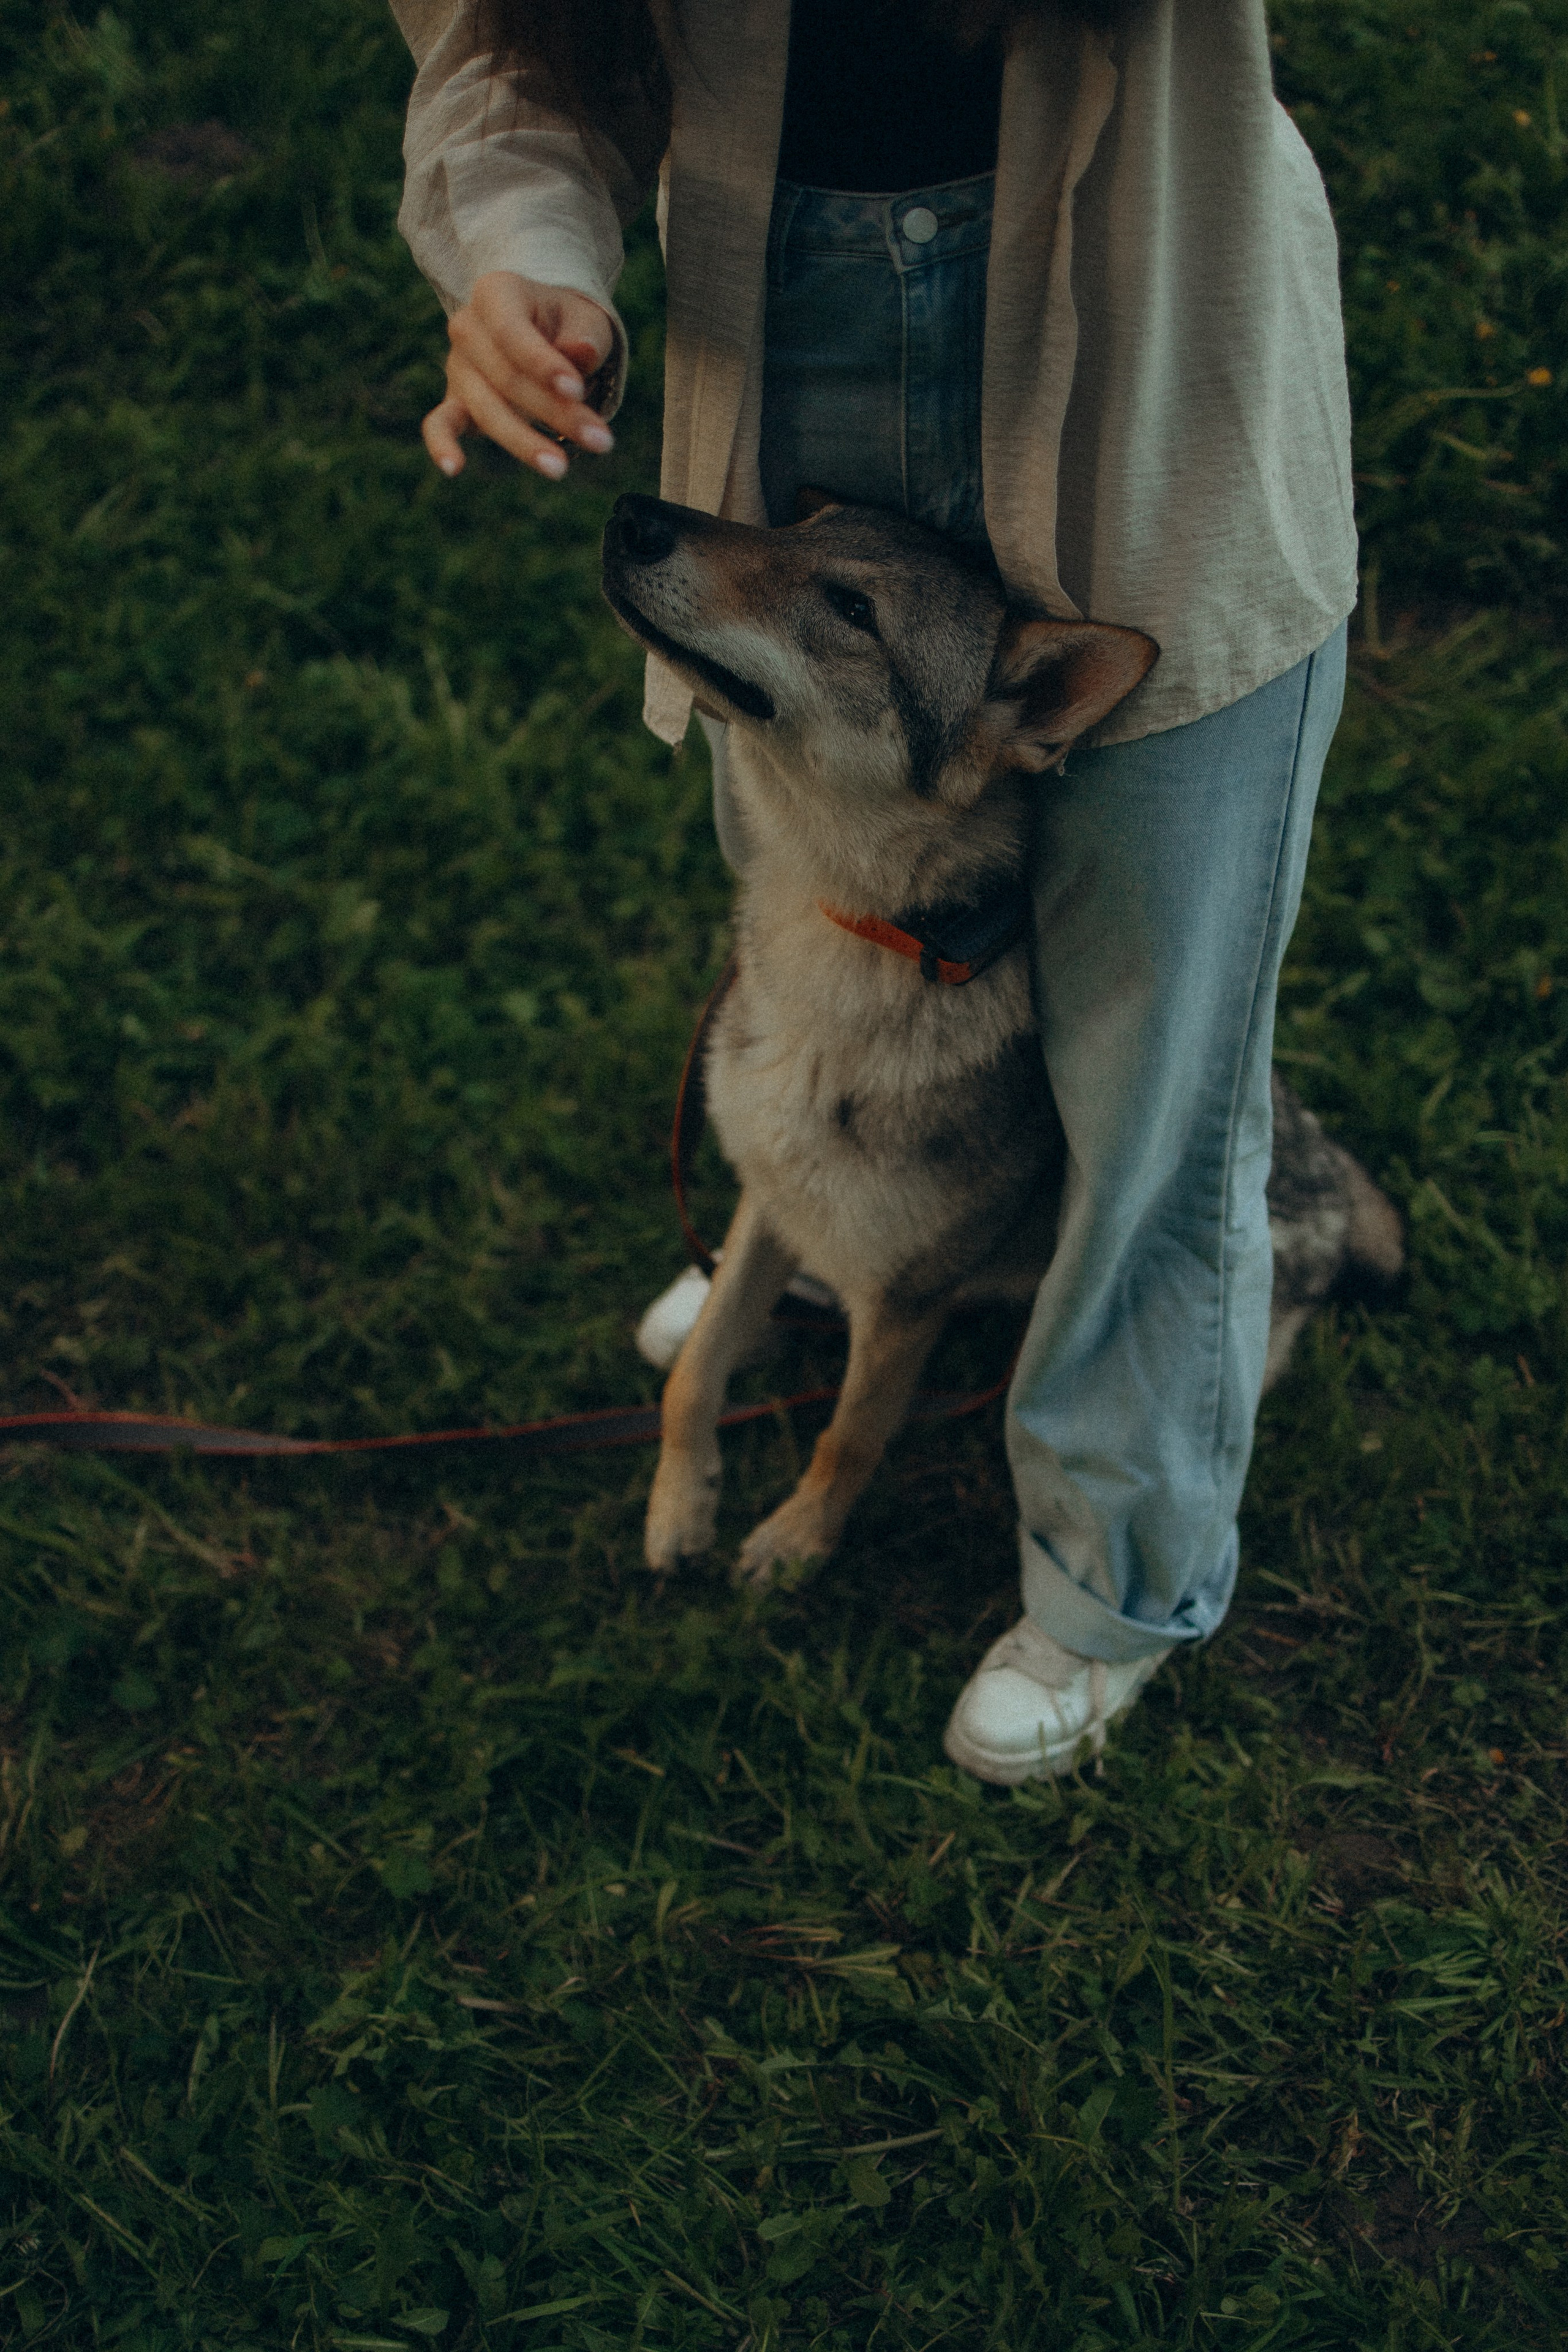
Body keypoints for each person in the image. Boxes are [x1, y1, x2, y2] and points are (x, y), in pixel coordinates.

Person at [389, 0, 1357, 1779]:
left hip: (1150, 349)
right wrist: (531, 244)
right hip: (794, 329)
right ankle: (841, 1242)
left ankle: (1108, 1578)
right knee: (842, 898)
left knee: (1157, 1079)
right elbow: (515, 32)